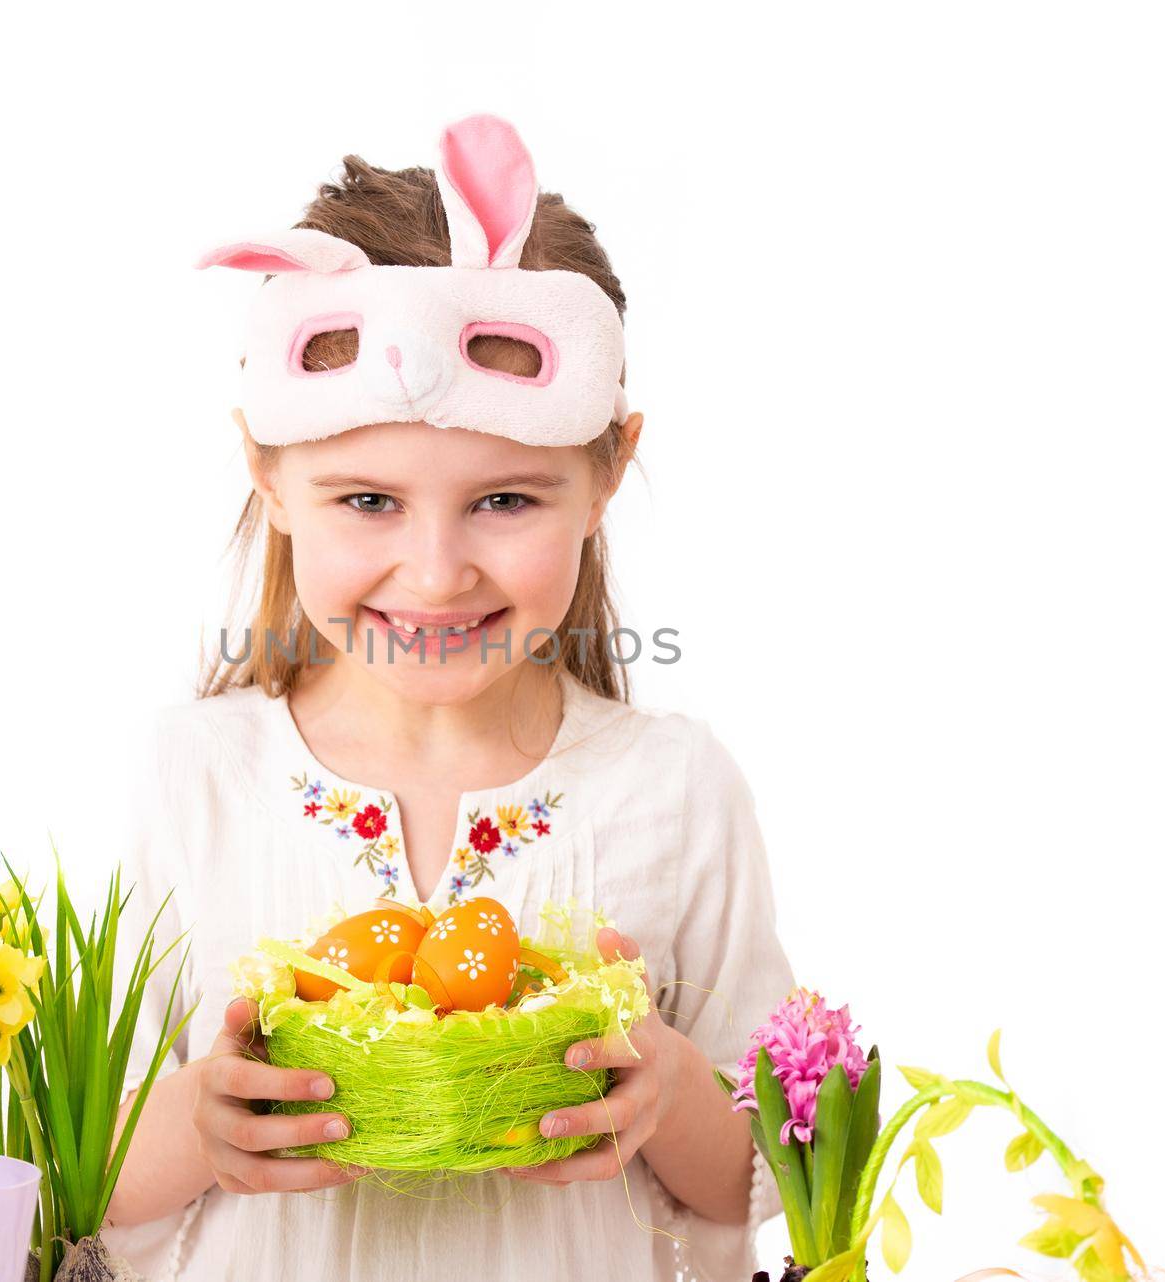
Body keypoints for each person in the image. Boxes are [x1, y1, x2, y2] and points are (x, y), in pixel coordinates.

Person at [100, 113, 796, 1282]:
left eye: (505, 501)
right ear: (270, 477)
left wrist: (667, 1088)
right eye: (367, 502)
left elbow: (772, 1181)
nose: (434, 572)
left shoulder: (672, 789)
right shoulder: (197, 779)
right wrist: (197, 1128)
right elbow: (71, 1172)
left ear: (605, 473)